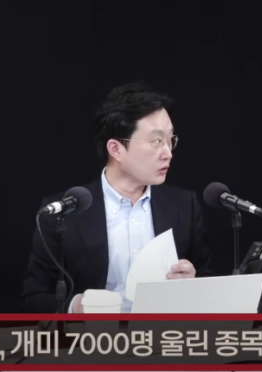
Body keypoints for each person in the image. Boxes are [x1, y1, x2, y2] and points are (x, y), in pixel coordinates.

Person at [21, 83, 211, 313]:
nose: (168, 153)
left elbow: (207, 280)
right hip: (94, 333)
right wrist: (74, 306)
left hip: (165, 332)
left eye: (171, 139)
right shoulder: (64, 212)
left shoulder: (183, 205)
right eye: (156, 141)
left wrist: (192, 283)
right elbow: (33, 297)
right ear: (116, 149)